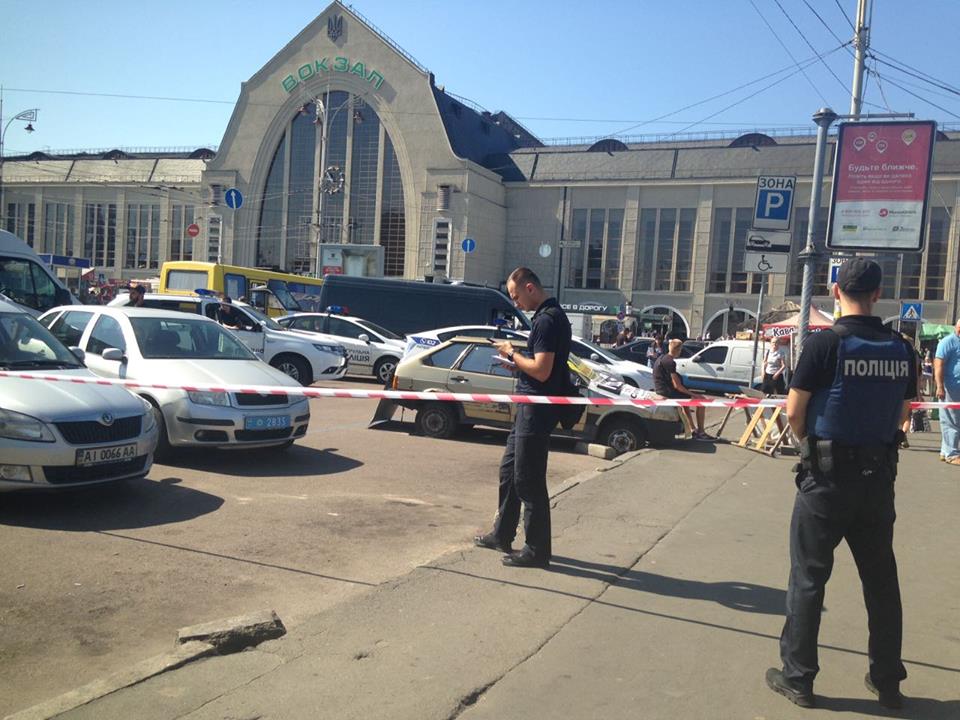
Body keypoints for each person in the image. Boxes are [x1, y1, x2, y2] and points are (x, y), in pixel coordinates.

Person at [766, 258, 914, 711]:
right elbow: (904, 410)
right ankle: (887, 681)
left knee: (808, 579)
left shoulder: (824, 344)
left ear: (835, 291)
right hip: (878, 479)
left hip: (826, 481)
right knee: (881, 582)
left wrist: (809, 447)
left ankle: (799, 678)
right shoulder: (901, 348)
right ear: (878, 294)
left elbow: (794, 412)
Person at [475, 267, 574, 569]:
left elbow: (542, 371)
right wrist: (518, 364)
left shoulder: (546, 320)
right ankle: (502, 534)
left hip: (537, 409)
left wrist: (511, 353)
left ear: (530, 288)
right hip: (530, 406)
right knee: (509, 471)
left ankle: (536, 549)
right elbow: (542, 367)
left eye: (516, 296)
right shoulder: (550, 316)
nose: (515, 303)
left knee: (528, 478)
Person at [652, 338, 713, 441]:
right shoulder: (670, 362)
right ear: (678, 350)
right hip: (667, 392)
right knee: (701, 401)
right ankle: (701, 432)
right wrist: (695, 395)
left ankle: (693, 429)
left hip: (661, 389)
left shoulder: (662, 358)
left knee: (686, 403)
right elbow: (677, 386)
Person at [934, 319, 960, 465]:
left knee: (955, 420)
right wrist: (939, 386)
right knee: (951, 420)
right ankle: (952, 454)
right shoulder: (947, 342)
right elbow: (938, 365)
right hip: (950, 388)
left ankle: (945, 451)